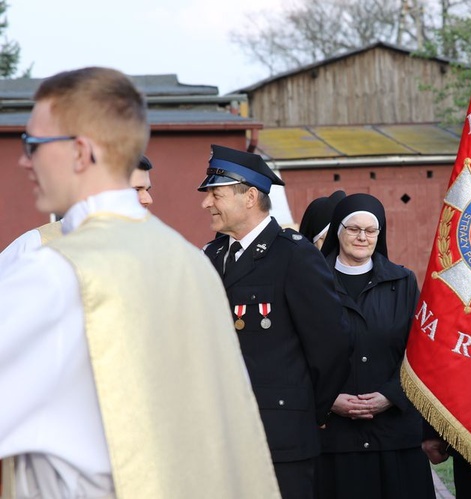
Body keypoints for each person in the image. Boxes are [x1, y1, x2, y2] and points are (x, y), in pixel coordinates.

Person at [0, 67, 279, 497]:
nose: (24, 160)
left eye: (33, 144)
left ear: (78, 152)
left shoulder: (50, 271)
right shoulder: (192, 262)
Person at [198, 145, 351, 499]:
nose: (207, 203)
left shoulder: (294, 255)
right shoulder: (212, 254)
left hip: (282, 436)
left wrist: (308, 408)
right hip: (221, 431)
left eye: (216, 194)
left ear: (250, 197)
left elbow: (332, 344)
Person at [316, 192, 435, 499]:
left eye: (371, 231)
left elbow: (421, 350)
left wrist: (390, 396)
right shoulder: (312, 282)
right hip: (335, 440)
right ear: (338, 231)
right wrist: (328, 399)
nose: (362, 237)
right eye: (353, 229)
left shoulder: (403, 282)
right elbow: (299, 351)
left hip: (394, 435)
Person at [0, 155, 156, 267]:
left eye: (146, 189)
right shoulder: (36, 245)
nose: (147, 199)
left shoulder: (149, 246)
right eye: (136, 190)